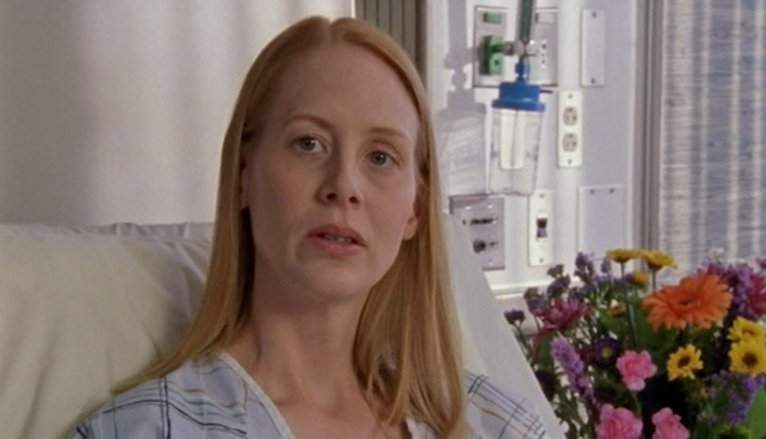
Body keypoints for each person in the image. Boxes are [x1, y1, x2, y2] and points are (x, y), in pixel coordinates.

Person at [70, 16, 548, 439]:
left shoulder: (498, 424)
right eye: (308, 144)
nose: (344, 186)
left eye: (380, 157)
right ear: (243, 176)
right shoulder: (148, 429)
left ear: (415, 209)